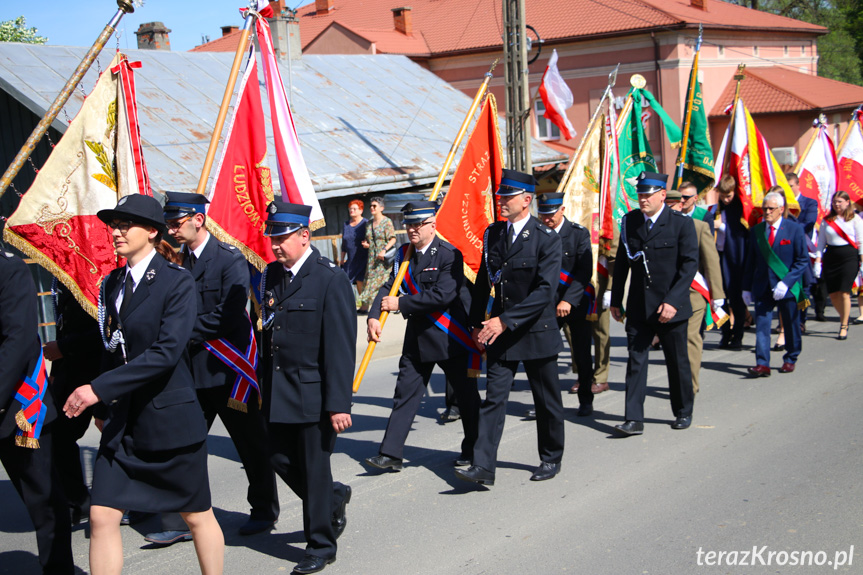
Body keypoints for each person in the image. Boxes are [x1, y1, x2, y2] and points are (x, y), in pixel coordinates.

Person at [64, 194, 224, 575]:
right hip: (123, 425)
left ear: (151, 232)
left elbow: (166, 352)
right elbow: (111, 347)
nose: (116, 232)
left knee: (196, 515)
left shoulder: (176, 281)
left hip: (168, 420)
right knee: (101, 515)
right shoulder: (111, 284)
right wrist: (103, 409)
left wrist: (97, 389)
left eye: (125, 225)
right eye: (114, 225)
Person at [142, 192, 279, 546]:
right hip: (191, 371)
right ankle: (181, 518)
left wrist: (180, 333)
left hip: (229, 372)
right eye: (169, 223)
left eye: (176, 222)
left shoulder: (228, 259)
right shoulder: (175, 262)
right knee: (184, 448)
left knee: (252, 446)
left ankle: (263, 509)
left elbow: (228, 314)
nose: (171, 229)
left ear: (198, 219)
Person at [258, 201, 354, 575]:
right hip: (278, 390)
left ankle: (321, 544)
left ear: (303, 235)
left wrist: (338, 404)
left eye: (281, 238)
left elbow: (341, 347)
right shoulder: (271, 276)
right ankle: (332, 497)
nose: (275, 245)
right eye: (272, 238)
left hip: (313, 394)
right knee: (277, 457)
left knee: (314, 469)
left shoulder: (329, 278)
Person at [456, 169, 564, 486]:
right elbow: (482, 283)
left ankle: (550, 457)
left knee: (546, 401)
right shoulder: (494, 234)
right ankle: (484, 465)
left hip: (534, 330)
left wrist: (504, 320)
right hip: (501, 334)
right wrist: (477, 324)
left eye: (508, 196)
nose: (500, 201)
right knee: (494, 400)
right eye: (500, 195)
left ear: (526, 200)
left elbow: (545, 291)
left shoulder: (547, 239)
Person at [364, 201, 480, 471]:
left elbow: (443, 295)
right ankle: (390, 454)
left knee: (467, 398)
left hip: (450, 338)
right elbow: (387, 287)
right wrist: (372, 315)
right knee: (404, 394)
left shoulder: (449, 255)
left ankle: (474, 450)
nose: (412, 229)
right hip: (417, 339)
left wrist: (401, 304)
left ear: (432, 225)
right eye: (409, 224)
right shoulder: (404, 254)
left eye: (418, 224)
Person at [0, 221, 75, 575]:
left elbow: (16, 342)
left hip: (16, 405)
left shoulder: (10, 270)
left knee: (43, 499)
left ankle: (57, 568)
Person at [610, 172, 698, 435]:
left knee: (676, 361)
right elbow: (623, 262)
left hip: (671, 307)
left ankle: (683, 410)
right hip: (639, 306)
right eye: (640, 194)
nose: (643, 199)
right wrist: (616, 299)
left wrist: (672, 301)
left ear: (662, 194)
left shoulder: (680, 223)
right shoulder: (630, 222)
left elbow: (689, 266)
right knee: (635, 362)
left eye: (648, 195)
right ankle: (634, 418)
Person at [43, 279, 102, 526]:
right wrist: (56, 370)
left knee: (113, 434)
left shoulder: (94, 272)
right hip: (70, 372)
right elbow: (63, 326)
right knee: (59, 435)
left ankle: (138, 497)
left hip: (100, 371)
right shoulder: (61, 275)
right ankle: (77, 501)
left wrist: (63, 348)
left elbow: (103, 330)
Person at [535, 192, 595, 416]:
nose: (546, 219)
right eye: (542, 214)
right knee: (544, 354)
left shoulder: (578, 234)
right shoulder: (537, 233)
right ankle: (546, 404)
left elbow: (584, 270)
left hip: (575, 302)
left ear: (562, 210)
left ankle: (586, 399)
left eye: (550, 214)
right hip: (546, 303)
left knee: (581, 353)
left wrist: (568, 299)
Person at [742, 191, 810, 376]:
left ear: (781, 209)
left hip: (786, 288)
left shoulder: (794, 229)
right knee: (762, 327)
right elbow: (750, 261)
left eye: (771, 208)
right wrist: (746, 288)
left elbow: (802, 260)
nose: (767, 212)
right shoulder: (756, 231)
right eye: (764, 208)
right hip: (763, 286)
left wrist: (786, 283)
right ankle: (762, 364)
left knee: (790, 324)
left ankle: (791, 357)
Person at [667, 190, 725, 394]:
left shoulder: (698, 227)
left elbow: (711, 261)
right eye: (666, 205)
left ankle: (689, 386)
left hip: (693, 292)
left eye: (673, 205)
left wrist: (717, 294)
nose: (669, 209)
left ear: (681, 205)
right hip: (666, 294)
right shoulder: (657, 229)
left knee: (690, 338)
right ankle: (678, 382)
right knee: (673, 342)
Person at [814, 191, 863, 340]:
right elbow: (821, 242)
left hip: (849, 257)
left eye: (840, 201)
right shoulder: (827, 220)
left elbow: (860, 242)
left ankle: (843, 325)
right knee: (834, 294)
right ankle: (844, 316)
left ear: (848, 202)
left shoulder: (855, 219)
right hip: (831, 258)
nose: (837, 204)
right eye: (835, 201)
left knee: (844, 292)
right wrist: (817, 261)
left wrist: (862, 262)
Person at [715, 174, 750, 350]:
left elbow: (738, 233)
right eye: (722, 195)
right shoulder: (717, 208)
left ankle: (738, 335)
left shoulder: (738, 208)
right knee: (720, 299)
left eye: (728, 195)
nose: (725, 199)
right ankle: (725, 333)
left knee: (736, 299)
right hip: (719, 257)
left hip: (734, 258)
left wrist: (720, 226)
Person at [591, 228, 618, 395]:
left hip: (599, 284)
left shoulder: (606, 220)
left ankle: (600, 376)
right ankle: (582, 373)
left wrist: (610, 288)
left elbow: (614, 259)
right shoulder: (572, 213)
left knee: (600, 331)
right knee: (572, 332)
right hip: (575, 284)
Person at [359, 196, 396, 314]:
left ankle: (390, 305)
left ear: (382, 208)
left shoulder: (387, 222)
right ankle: (368, 307)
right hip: (372, 259)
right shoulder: (369, 224)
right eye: (370, 206)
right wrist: (367, 245)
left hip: (383, 260)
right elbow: (372, 241)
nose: (371, 208)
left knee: (383, 282)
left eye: (374, 206)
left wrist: (384, 249)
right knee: (369, 282)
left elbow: (392, 239)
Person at [340, 199, 368, 297]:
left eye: (354, 209)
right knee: (344, 280)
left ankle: (364, 306)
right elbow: (344, 243)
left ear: (361, 210)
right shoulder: (346, 225)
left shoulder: (366, 223)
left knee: (360, 281)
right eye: (350, 209)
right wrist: (342, 258)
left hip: (363, 258)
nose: (352, 211)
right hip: (350, 259)